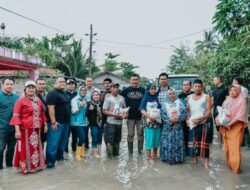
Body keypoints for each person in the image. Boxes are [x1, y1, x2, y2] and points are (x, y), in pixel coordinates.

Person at [9, 81, 47, 174]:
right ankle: (25, 167)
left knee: (35, 148)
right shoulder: (20, 101)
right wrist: (17, 130)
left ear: (35, 89)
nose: (31, 89)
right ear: (25, 90)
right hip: (25, 130)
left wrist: (45, 124)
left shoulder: (38, 100)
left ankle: (36, 166)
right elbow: (16, 116)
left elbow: (42, 113)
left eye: (33, 87)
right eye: (29, 87)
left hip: (37, 129)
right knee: (24, 148)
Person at [216, 85, 248, 174]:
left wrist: (229, 124)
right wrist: (217, 119)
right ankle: (230, 166)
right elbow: (221, 112)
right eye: (231, 90)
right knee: (227, 149)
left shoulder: (242, 102)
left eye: (235, 90)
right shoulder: (227, 101)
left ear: (238, 91)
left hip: (236, 128)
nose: (232, 92)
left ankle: (236, 171)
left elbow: (239, 117)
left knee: (234, 150)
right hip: (225, 128)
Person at [187, 79, 212, 169]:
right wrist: (187, 120)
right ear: (193, 87)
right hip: (192, 124)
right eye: (195, 86)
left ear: (202, 87)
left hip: (203, 123)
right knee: (194, 144)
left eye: (199, 86)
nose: (197, 88)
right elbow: (188, 111)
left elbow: (209, 111)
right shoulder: (189, 97)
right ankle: (195, 161)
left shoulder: (206, 96)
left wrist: (200, 120)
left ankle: (206, 164)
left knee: (204, 144)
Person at [46, 77, 71, 168]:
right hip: (56, 123)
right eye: (60, 81)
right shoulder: (52, 93)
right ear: (55, 83)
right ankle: (50, 162)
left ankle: (60, 158)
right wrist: (53, 122)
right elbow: (50, 108)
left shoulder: (64, 93)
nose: (62, 83)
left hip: (66, 123)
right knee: (53, 143)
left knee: (62, 142)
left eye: (64, 82)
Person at [160, 88, 186, 164]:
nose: (171, 95)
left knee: (177, 142)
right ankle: (166, 158)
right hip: (167, 127)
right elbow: (162, 115)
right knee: (167, 141)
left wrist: (177, 120)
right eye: (170, 94)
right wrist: (170, 121)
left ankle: (178, 159)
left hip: (178, 127)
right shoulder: (164, 104)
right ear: (168, 95)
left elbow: (184, 114)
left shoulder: (180, 103)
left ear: (176, 94)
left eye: (173, 93)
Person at [121, 74, 145, 155]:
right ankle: (130, 152)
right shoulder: (126, 90)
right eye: (133, 80)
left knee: (140, 134)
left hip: (140, 117)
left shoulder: (143, 90)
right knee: (130, 134)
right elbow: (119, 98)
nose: (134, 81)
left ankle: (140, 152)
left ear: (138, 80)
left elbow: (147, 100)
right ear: (130, 81)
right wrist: (123, 109)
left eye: (136, 79)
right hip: (130, 117)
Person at [103, 83, 127, 158]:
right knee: (110, 141)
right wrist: (114, 115)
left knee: (117, 141)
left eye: (117, 87)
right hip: (110, 123)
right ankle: (110, 158)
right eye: (114, 87)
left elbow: (125, 109)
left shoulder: (122, 98)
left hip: (119, 123)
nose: (116, 89)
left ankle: (116, 158)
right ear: (111, 89)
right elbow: (104, 111)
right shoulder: (108, 98)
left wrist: (125, 114)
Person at [0, 77, 19, 169]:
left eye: (11, 84)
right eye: (7, 84)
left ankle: (9, 165)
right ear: (2, 85)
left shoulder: (16, 97)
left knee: (11, 148)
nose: (9, 86)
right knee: (1, 148)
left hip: (14, 128)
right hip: (2, 128)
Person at [139, 83, 161, 161]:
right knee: (149, 139)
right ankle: (149, 157)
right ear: (148, 89)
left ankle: (154, 154)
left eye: (154, 88)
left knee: (156, 138)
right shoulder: (145, 98)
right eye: (151, 88)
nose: (153, 90)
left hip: (157, 122)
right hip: (149, 122)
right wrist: (149, 117)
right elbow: (142, 110)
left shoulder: (156, 97)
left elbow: (159, 108)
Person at [70, 86, 88, 161]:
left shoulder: (85, 99)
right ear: (79, 91)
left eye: (85, 90)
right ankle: (77, 155)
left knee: (84, 138)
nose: (83, 91)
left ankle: (82, 153)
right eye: (82, 90)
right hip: (76, 123)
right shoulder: (75, 99)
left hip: (84, 123)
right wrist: (81, 105)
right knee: (82, 138)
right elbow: (73, 112)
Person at [232, 77, 250, 148]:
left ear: (237, 82)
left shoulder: (244, 89)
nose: (232, 82)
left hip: (242, 110)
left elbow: (245, 101)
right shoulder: (234, 89)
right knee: (238, 126)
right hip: (236, 110)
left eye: (233, 81)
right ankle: (241, 143)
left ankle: (248, 144)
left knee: (244, 125)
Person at [211, 76, 228, 145]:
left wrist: (225, 110)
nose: (213, 81)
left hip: (223, 110)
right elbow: (212, 101)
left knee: (224, 126)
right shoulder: (214, 90)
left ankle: (225, 143)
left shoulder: (226, 89)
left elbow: (228, 100)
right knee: (217, 126)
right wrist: (209, 109)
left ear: (219, 80)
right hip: (215, 110)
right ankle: (219, 143)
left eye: (214, 80)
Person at [85, 77, 100, 149]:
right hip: (85, 114)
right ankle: (86, 147)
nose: (89, 82)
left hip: (95, 116)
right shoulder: (83, 90)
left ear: (92, 82)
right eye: (87, 81)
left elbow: (100, 103)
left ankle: (95, 149)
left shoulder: (97, 90)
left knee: (95, 134)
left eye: (90, 81)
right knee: (85, 133)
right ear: (85, 82)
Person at [178, 80, 193, 155]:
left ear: (190, 86)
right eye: (184, 85)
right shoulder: (180, 96)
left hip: (192, 119)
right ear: (182, 86)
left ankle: (192, 153)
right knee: (183, 135)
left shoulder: (194, 95)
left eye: (187, 84)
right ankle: (185, 152)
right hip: (183, 120)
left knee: (192, 136)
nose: (186, 86)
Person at [86, 91, 103, 157]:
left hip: (101, 123)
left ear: (99, 96)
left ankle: (99, 151)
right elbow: (87, 115)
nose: (96, 96)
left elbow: (103, 114)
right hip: (93, 124)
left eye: (97, 95)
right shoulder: (89, 104)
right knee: (95, 136)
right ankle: (94, 152)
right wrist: (91, 110)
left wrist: (104, 123)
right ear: (92, 97)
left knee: (100, 137)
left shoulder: (101, 103)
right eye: (94, 95)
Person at [65, 78, 77, 152]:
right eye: (69, 84)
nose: (71, 86)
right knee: (66, 135)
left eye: (72, 84)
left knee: (75, 135)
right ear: (66, 86)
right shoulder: (63, 94)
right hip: (66, 119)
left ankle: (74, 149)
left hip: (76, 119)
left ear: (75, 86)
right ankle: (65, 150)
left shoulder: (77, 94)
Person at [36, 78, 49, 148]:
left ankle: (41, 156)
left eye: (43, 84)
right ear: (36, 85)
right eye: (39, 84)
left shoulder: (48, 94)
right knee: (37, 140)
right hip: (36, 121)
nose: (41, 85)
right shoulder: (33, 95)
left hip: (46, 120)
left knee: (43, 139)